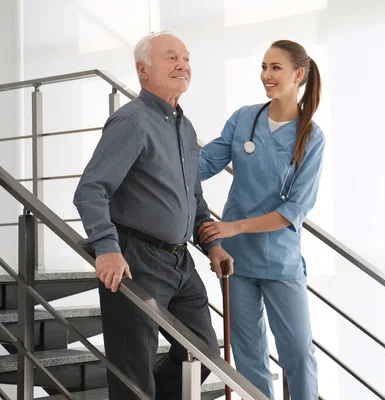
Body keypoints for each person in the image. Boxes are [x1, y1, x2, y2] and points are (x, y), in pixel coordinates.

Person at [73, 31, 233, 400]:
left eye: (187, 57)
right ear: (143, 70)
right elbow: (91, 189)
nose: (183, 64)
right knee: (133, 368)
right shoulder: (131, 121)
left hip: (180, 261)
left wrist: (213, 245)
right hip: (136, 258)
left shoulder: (184, 125)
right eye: (171, 57)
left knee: (203, 350)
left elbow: (193, 194)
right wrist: (107, 248)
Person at [198, 39, 325, 399]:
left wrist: (232, 226)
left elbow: (294, 210)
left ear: (298, 75)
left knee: (298, 354)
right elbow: (205, 164)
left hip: (279, 258)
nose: (266, 76)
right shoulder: (244, 118)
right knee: (249, 354)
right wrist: (158, 168)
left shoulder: (312, 137)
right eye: (264, 67)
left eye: (275, 68)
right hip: (236, 259)